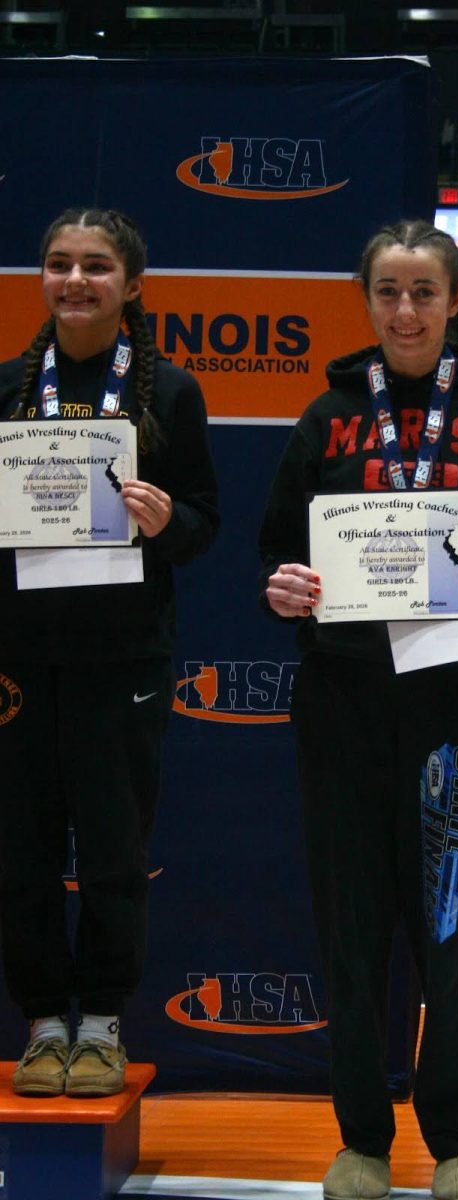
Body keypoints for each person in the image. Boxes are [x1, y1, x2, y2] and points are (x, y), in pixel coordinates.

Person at [257, 219, 458, 1200]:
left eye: (422, 293)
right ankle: (360, 1138)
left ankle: (457, 1144)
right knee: (350, 938)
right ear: (367, 301)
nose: (403, 312)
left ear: (452, 301)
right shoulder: (323, 420)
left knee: (453, 938)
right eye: (387, 293)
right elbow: (274, 558)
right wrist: (285, 591)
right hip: (343, 713)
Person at [0, 208, 219, 1098]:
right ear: (41, 280)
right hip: (17, 664)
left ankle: (103, 1023)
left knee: (115, 853)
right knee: (20, 853)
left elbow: (204, 524)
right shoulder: (8, 387)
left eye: (96, 267)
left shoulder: (168, 393)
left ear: (131, 286)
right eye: (59, 265)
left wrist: (169, 525)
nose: (75, 281)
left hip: (123, 659)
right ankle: (44, 1021)